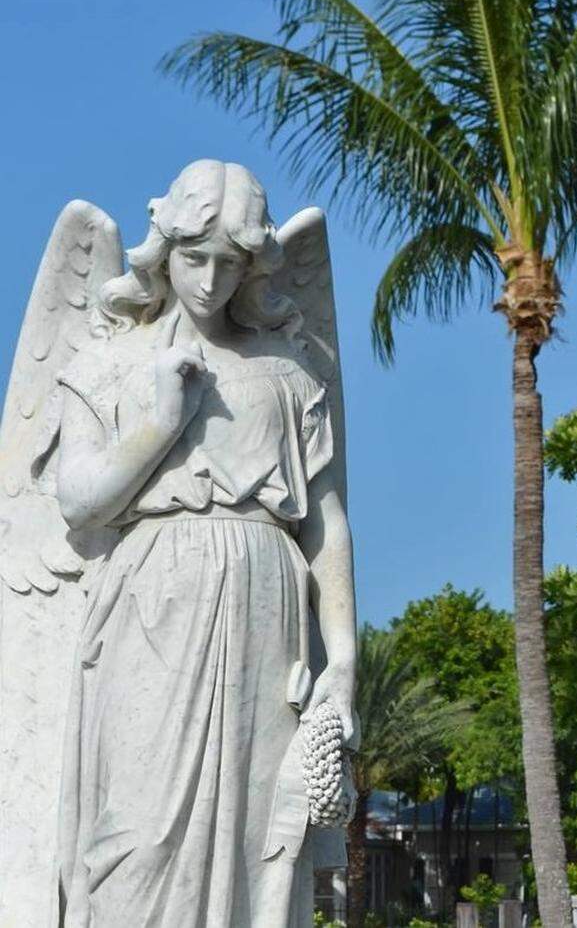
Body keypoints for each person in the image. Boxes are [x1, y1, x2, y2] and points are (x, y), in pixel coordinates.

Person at [53, 161, 357, 927]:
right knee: (137, 830)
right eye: (194, 258)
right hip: (151, 602)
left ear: (254, 265)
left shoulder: (288, 372)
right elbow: (81, 504)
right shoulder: (111, 363)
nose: (211, 279)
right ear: (163, 252)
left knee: (257, 836)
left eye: (231, 262)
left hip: (265, 605)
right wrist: (160, 421)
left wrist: (344, 659)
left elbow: (325, 522)